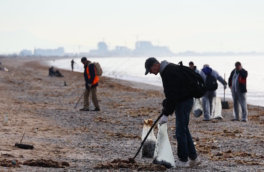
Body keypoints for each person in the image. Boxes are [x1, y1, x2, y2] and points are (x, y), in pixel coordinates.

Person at [145, 57, 201, 168]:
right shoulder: (168, 69)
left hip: (183, 102)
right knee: (184, 129)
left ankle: (183, 160)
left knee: (180, 131)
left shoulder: (168, 71)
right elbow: (173, 92)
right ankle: (194, 158)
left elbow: (174, 94)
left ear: (155, 65)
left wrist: (166, 114)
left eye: (150, 70)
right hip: (185, 100)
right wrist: (166, 105)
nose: (151, 73)